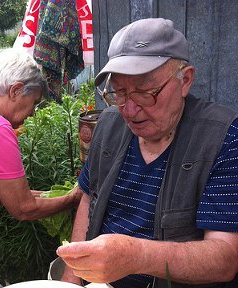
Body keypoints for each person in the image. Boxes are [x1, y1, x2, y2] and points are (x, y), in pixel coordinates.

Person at [56, 18, 238, 288]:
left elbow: (224, 258)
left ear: (185, 80)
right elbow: (88, 198)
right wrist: (71, 281)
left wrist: (136, 256)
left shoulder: (223, 137)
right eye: (119, 92)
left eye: (144, 92)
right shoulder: (107, 125)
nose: (129, 110)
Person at [0, 48, 81, 287]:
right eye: (34, 103)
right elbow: (22, 208)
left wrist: (61, 195)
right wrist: (73, 199)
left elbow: (13, 195)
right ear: (16, 90)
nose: (31, 114)